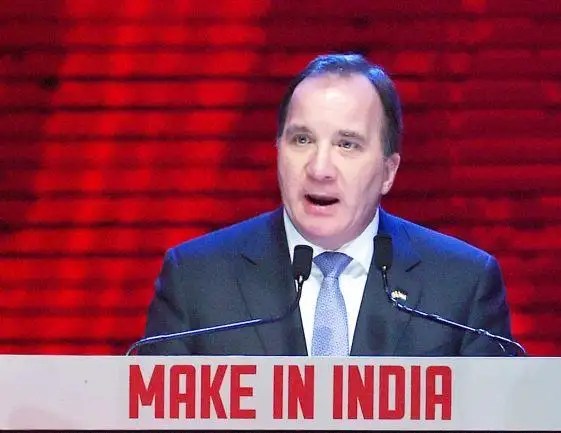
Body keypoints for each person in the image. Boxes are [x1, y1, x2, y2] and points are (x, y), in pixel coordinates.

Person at [140, 53, 513, 356]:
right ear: (277, 151)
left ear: (388, 171)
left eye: (347, 144)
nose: (319, 169)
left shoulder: (462, 285)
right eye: (302, 140)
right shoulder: (196, 279)